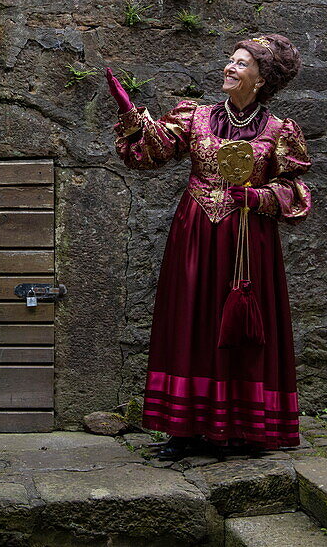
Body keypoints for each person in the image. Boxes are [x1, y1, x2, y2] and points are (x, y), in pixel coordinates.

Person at [105, 34, 312, 460]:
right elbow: (151, 153)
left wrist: (257, 197)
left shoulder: (279, 131)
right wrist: (130, 114)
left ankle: (243, 428)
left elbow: (296, 190)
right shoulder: (195, 117)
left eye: (241, 64)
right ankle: (185, 430)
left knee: (240, 329)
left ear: (260, 78)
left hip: (248, 240)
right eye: (230, 60)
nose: (229, 68)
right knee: (190, 321)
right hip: (195, 232)